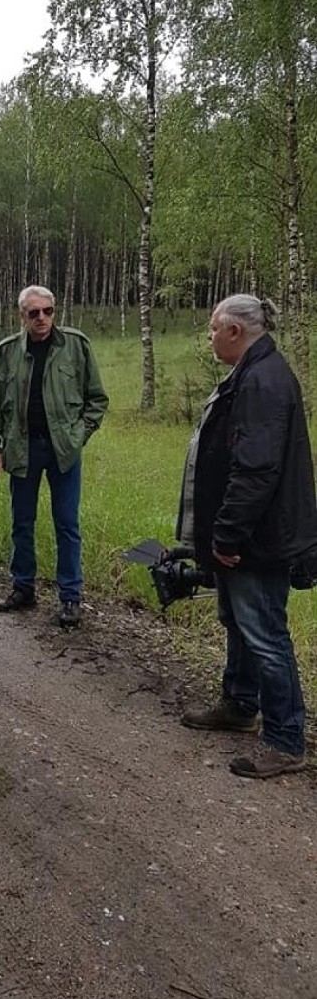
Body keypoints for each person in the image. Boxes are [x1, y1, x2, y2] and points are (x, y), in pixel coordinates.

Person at [178, 295, 317, 778]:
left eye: (214, 328)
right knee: (239, 622)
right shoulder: (255, 373)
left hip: (259, 539)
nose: (210, 336)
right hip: (248, 535)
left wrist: (229, 537)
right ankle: (239, 704)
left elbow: (256, 470)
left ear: (235, 331)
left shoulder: (264, 382)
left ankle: (285, 739)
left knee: (265, 634)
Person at [0, 285, 108, 628]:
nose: (42, 319)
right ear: (22, 316)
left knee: (67, 523)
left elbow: (97, 400)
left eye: (48, 311)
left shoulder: (76, 347)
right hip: (21, 449)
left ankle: (71, 597)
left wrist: (77, 436)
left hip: (63, 450)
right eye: (34, 313)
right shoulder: (6, 353)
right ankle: (23, 588)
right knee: (21, 521)